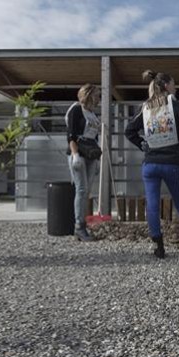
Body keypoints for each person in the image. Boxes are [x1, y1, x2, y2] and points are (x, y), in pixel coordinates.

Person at [125, 70, 179, 258]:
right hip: (172, 163)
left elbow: (129, 130)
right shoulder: (175, 105)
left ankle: (158, 246)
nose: (176, 87)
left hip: (150, 163)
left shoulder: (145, 107)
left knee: (152, 204)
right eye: (173, 83)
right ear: (166, 85)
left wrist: (143, 144)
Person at [66, 84, 102, 241]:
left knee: (86, 191)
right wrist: (75, 155)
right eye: (97, 94)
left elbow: (94, 136)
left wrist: (97, 158)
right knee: (81, 189)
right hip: (79, 154)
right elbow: (71, 135)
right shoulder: (76, 109)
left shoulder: (92, 114)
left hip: (91, 154)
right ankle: (79, 227)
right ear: (89, 95)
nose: (99, 98)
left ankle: (83, 225)